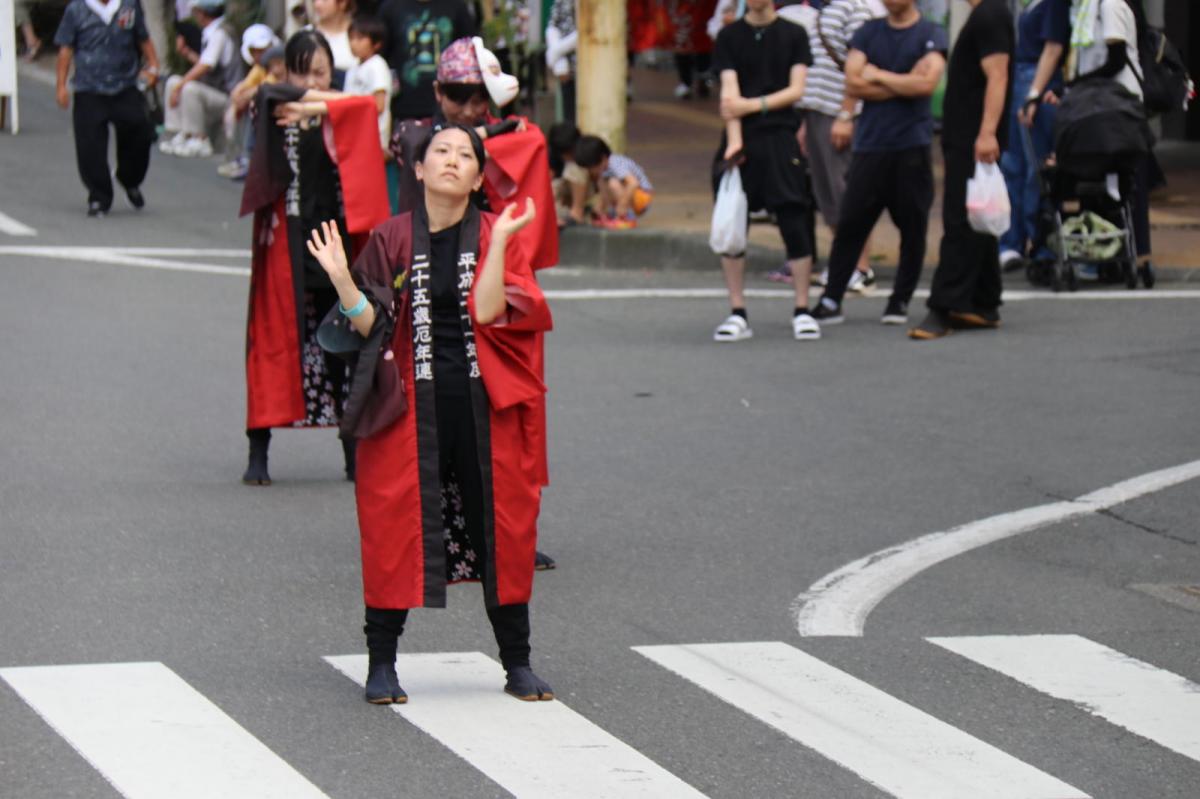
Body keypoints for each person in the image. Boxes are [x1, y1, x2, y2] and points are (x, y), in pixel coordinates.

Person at [306, 123, 555, 704]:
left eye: (464, 155)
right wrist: (343, 278)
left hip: (482, 408)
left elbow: (492, 311)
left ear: (477, 175)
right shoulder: (392, 238)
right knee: (392, 529)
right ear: (416, 170)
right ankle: (382, 664)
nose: (450, 160)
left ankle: (517, 663)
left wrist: (496, 249)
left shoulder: (499, 231)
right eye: (439, 151)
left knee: (503, 530)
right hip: (406, 410)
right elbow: (369, 327)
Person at [236, 30, 391, 485]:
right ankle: (258, 450)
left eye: (322, 71)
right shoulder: (273, 105)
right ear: (289, 72)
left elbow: (366, 109)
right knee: (272, 342)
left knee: (346, 346)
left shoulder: (338, 110)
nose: (315, 81)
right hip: (285, 245)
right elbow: (266, 94)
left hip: (336, 246)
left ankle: (352, 452)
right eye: (304, 72)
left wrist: (318, 106)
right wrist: (307, 101)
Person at [810, 0, 947, 328]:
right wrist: (902, 83)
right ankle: (832, 298)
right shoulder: (868, 32)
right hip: (870, 145)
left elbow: (926, 85)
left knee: (912, 227)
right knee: (851, 222)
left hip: (911, 145)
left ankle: (899, 299)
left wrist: (878, 76)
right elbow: (854, 82)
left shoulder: (930, 33)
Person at [710, 0, 818, 343]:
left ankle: (802, 309)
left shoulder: (794, 33)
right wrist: (735, 142)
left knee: (794, 217)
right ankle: (737, 311)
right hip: (742, 139)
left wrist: (755, 105)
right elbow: (729, 94)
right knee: (733, 222)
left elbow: (797, 89)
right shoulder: (729, 36)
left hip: (781, 138)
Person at [909, 0, 1012, 340]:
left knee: (960, 219)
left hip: (974, 138)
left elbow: (998, 76)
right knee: (976, 216)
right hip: (967, 137)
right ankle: (983, 302)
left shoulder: (991, 14)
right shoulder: (985, 14)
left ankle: (943, 307)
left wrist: (986, 133)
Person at [785, 0, 884, 291]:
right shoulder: (830, 7)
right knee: (827, 192)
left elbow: (860, 65)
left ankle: (860, 267)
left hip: (837, 113)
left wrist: (846, 113)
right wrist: (806, 120)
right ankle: (844, 263)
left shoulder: (857, 8)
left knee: (846, 192)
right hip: (818, 111)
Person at [1065, 0, 1153, 277]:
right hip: (1106, 104)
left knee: (1125, 184)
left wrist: (1080, 84)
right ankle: (1111, 256)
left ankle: (1134, 257)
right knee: (1109, 181)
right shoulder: (1090, 7)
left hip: (1119, 106)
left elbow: (1115, 59)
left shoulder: (1111, 5)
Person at [54, 0, 160, 218]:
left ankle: (130, 179)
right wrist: (61, 86)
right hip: (89, 88)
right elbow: (66, 49)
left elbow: (143, 38)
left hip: (125, 85)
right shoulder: (77, 9)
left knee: (140, 134)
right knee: (90, 146)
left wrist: (153, 67)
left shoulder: (129, 6)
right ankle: (99, 197)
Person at [999, 0, 1070, 273]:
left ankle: (1039, 242)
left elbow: (1053, 48)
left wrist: (1034, 94)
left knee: (1035, 169)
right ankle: (1011, 242)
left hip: (1036, 81)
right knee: (1013, 164)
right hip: (1020, 76)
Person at [160, 0, 240, 158]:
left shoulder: (220, 32)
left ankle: (198, 137)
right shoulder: (212, 31)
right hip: (213, 90)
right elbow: (206, 63)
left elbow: (206, 66)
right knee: (173, 81)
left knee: (188, 88)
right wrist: (186, 53)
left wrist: (180, 86)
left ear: (202, 13)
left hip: (226, 95)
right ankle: (179, 132)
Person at [379, 0, 475, 125]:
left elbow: (471, 54)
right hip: (403, 109)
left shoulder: (457, 7)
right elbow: (381, 57)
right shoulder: (390, 8)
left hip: (451, 109)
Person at [218, 23, 282, 179]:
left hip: (276, 110)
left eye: (262, 50)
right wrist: (237, 99)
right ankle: (241, 157)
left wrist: (246, 96)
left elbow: (270, 85)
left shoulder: (280, 61)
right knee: (238, 108)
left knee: (254, 105)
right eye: (255, 51)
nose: (259, 55)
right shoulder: (259, 67)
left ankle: (249, 160)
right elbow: (244, 86)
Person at [573, 135, 654, 230]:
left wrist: (622, 205)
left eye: (591, 168)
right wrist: (600, 208)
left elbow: (633, 183)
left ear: (602, 158)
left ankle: (627, 217)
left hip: (642, 198)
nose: (591, 171)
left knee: (612, 183)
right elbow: (603, 190)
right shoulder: (603, 171)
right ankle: (610, 213)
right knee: (602, 181)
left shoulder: (615, 163)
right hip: (630, 199)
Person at [345, 14, 393, 155]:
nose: (354, 43)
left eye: (360, 39)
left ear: (376, 43)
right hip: (355, 135)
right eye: (351, 38)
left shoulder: (377, 65)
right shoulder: (352, 68)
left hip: (374, 137)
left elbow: (379, 104)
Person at [548, 121, 593, 226]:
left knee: (573, 169)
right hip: (565, 195)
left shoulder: (587, 150)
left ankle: (577, 213)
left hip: (588, 191)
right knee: (552, 186)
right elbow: (548, 179)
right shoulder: (553, 156)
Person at [544, 0, 577, 122]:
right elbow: (552, 27)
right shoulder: (561, 2)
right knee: (569, 114)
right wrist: (560, 65)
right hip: (566, 67)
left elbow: (586, 32)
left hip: (585, 68)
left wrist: (554, 53)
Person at [312, 0, 357, 78]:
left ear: (343, 2)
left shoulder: (360, 36)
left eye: (324, 0)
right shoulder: (307, 34)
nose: (317, 4)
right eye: (314, 0)